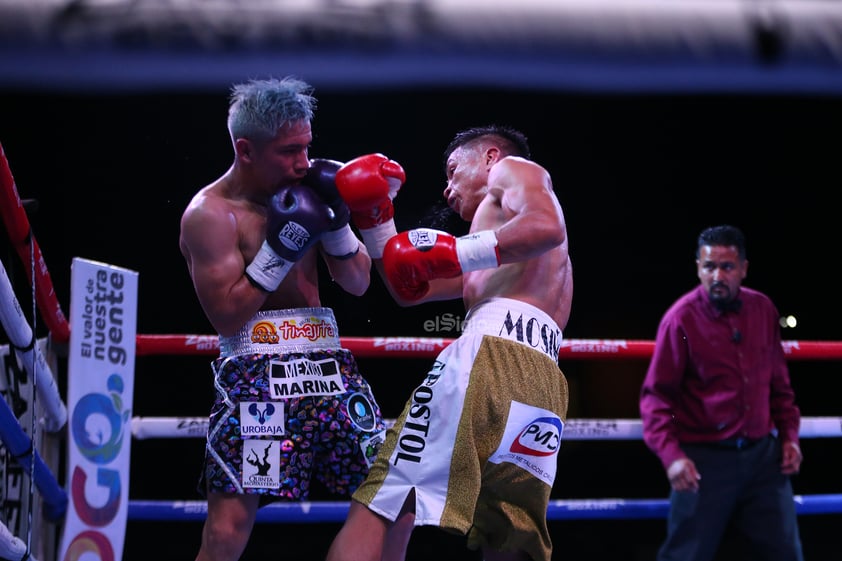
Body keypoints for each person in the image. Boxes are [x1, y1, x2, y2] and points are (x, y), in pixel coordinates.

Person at [325, 125, 573, 561]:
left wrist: (457, 253)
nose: (447, 189)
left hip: (489, 356)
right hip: (542, 382)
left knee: (383, 500)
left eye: (454, 171)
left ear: (491, 157)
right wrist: (376, 221)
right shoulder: (496, 250)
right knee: (509, 535)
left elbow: (547, 226)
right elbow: (409, 290)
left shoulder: (514, 171)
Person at [178, 76, 389, 561]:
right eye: (289, 151)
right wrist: (280, 248)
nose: (303, 162)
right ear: (246, 149)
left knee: (392, 496)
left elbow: (358, 283)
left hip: (329, 371)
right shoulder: (210, 215)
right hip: (259, 380)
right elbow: (227, 316)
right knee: (229, 529)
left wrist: (335, 224)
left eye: (307, 147)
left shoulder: (311, 187)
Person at [639, 224, 804, 561]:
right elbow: (657, 398)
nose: (717, 275)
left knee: (786, 552)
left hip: (763, 457)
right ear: (698, 268)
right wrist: (672, 456)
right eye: (709, 266)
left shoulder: (763, 310)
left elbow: (780, 384)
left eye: (726, 267)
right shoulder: (680, 320)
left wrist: (790, 437)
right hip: (704, 462)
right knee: (685, 556)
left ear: (743, 269)